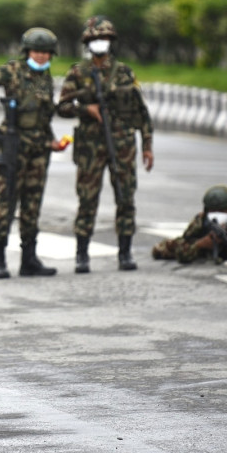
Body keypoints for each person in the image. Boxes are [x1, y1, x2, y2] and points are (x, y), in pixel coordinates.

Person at [57, 16, 155, 273]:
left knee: (126, 198)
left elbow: (140, 111)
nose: (100, 43)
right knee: (87, 200)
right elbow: (62, 106)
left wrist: (146, 145)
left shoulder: (124, 73)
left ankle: (125, 252)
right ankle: (82, 254)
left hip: (122, 145)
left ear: (111, 42)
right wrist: (86, 108)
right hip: (91, 146)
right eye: (95, 40)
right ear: (88, 43)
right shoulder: (78, 72)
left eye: (105, 39)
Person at [0, 27, 65, 279]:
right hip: (13, 145)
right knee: (7, 201)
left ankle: (29, 259)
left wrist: (53, 142)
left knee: (32, 205)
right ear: (27, 51)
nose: (41, 56)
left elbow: (44, 117)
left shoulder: (46, 78)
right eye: (37, 51)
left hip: (39, 149)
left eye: (46, 52)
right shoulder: (12, 71)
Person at [152, 184, 227, 264]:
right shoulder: (201, 220)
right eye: (213, 211)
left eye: (223, 211)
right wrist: (201, 244)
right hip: (203, 244)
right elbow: (184, 244)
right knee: (163, 249)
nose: (217, 215)